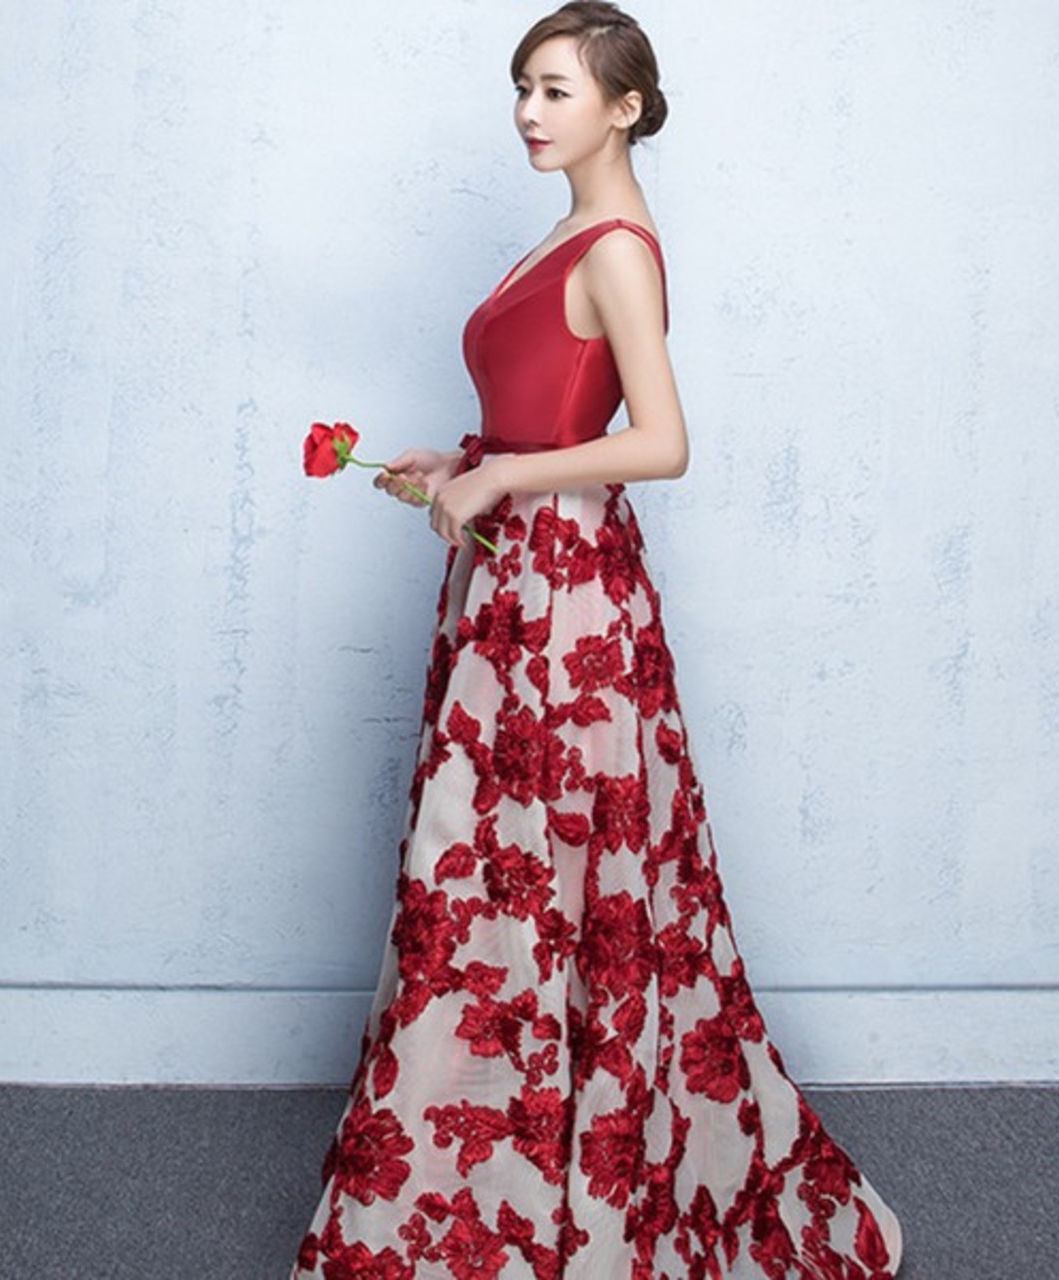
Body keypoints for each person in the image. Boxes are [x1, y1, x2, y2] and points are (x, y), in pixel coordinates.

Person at [291, 4, 903, 1276]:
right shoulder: (561, 232)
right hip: (514, 580)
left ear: (624, 108)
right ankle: (486, 1170)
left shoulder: (619, 247)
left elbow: (661, 441)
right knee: (488, 870)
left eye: (557, 90)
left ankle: (555, 1180)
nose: (528, 111)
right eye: (521, 86)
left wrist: (504, 480)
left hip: (567, 603)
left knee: (540, 869)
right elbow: (541, 417)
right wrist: (456, 463)